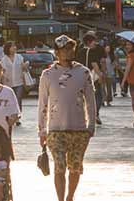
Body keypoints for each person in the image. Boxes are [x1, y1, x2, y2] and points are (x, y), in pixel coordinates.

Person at [38, 35, 97, 201]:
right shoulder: (48, 75)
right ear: (57, 52)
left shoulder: (83, 72)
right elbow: (42, 103)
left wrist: (91, 125)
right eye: (64, 49)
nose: (68, 52)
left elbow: (91, 101)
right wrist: (42, 129)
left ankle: (70, 196)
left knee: (75, 168)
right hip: (55, 130)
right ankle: (60, 199)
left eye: (71, 48)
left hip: (79, 129)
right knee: (59, 167)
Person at [77, 31, 105, 125]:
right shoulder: (91, 51)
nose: (95, 43)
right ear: (89, 42)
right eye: (93, 41)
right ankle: (95, 114)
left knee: (84, 97)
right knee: (98, 96)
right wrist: (101, 75)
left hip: (81, 77)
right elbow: (94, 64)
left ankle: (84, 116)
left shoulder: (80, 51)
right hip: (92, 77)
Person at [0, 42, 27, 126]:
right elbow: (2, 71)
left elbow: (24, 68)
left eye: (15, 46)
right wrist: (4, 77)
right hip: (8, 83)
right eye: (12, 46)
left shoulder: (19, 57)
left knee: (18, 100)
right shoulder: (3, 59)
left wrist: (26, 65)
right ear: (8, 48)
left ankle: (17, 118)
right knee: (9, 101)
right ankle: (9, 116)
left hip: (18, 82)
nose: (14, 48)